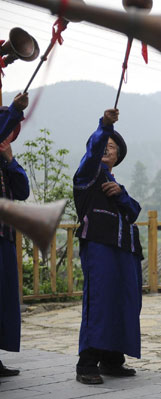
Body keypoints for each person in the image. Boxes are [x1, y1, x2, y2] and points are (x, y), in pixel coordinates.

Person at [73, 109, 143, 385]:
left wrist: (122, 194)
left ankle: (113, 359)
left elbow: (134, 211)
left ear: (117, 157)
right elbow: (92, 153)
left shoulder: (116, 185)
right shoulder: (88, 176)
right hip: (99, 244)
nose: (106, 149)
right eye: (103, 144)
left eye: (111, 147)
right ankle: (87, 363)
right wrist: (104, 126)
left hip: (125, 249)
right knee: (100, 301)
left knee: (124, 302)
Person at [0, 94, 30, 382]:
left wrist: (10, 160)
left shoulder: (6, 164)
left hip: (4, 236)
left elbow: (22, 191)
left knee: (4, 299)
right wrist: (16, 111)